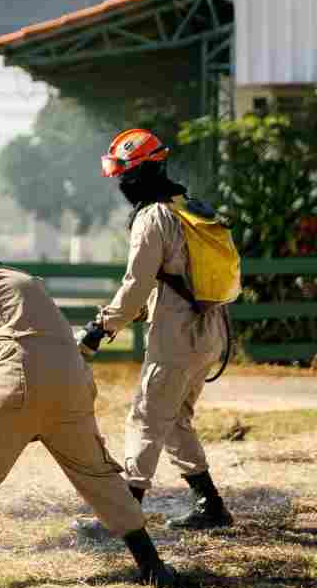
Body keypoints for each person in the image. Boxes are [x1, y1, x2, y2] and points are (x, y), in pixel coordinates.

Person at [0, 220, 194, 588]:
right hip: (73, 386)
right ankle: (153, 568)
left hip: (14, 387)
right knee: (100, 477)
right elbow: (36, 350)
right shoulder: (28, 283)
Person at [79, 129, 233, 533]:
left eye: (123, 174)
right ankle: (210, 505)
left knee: (146, 417)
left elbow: (136, 285)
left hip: (177, 335)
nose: (119, 183)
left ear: (139, 173)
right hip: (211, 331)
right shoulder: (188, 206)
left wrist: (102, 326)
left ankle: (122, 515)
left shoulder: (153, 217)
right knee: (175, 418)